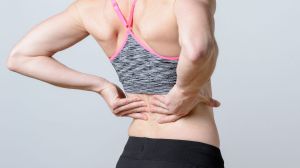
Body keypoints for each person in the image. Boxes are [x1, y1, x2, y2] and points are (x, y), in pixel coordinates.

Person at [6, 0, 224, 167]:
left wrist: (101, 86)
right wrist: (185, 90)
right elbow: (197, 50)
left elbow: (20, 57)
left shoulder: (90, 7)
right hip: (187, 151)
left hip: (134, 153)